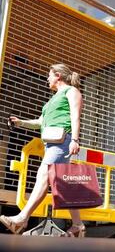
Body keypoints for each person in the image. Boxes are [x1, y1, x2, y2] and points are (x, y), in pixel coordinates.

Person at [0, 63, 85, 237]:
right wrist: (20, 122)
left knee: (44, 174)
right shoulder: (51, 100)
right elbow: (40, 122)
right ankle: (78, 226)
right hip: (51, 143)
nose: (47, 78)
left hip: (63, 140)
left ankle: (21, 219)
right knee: (63, 186)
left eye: (49, 75)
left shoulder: (72, 92)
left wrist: (75, 139)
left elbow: (75, 116)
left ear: (58, 76)